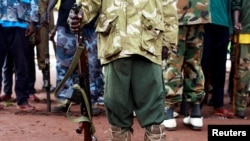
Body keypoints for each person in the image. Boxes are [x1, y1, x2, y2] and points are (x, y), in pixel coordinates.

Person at [68, 0, 178, 140]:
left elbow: (168, 6)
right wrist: (79, 15)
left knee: (153, 111)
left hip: (148, 45)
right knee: (116, 108)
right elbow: (88, 3)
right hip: (115, 45)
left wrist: (168, 41)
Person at [41, 0, 105, 114]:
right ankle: (64, 100)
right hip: (65, 23)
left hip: (91, 24)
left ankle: (90, 101)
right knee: (63, 63)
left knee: (92, 64)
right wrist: (47, 9)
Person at [162, 0, 209, 131]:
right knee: (194, 62)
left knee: (173, 62)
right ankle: (195, 113)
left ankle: (169, 113)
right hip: (199, 12)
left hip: (175, 12)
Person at [0, 0, 38, 111]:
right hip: (1, 23)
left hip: (20, 25)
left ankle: (22, 100)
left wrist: (33, 23)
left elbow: (34, 2)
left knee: (22, 65)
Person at [200, 0, 234, 118]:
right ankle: (196, 104)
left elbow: (229, 5)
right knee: (202, 64)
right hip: (204, 23)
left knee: (220, 66)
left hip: (223, 25)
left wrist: (230, 28)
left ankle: (218, 104)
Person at [231, 0, 250, 119]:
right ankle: (240, 106)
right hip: (246, 34)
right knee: (244, 73)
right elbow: (236, 4)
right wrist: (236, 22)